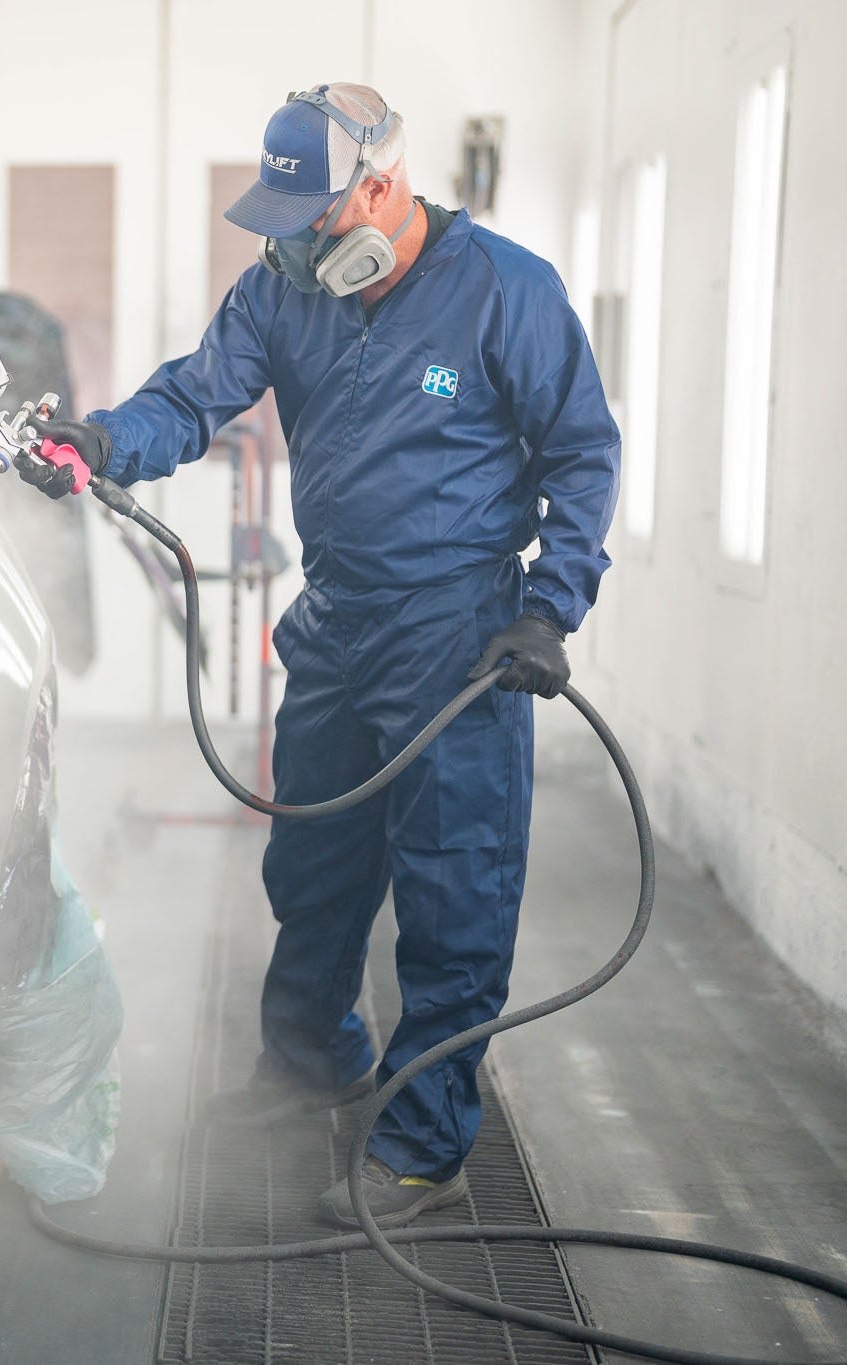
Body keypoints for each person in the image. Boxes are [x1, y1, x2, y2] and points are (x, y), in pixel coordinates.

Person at [30, 83, 620, 1228]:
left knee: (451, 888)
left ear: (381, 187)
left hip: (456, 633)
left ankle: (420, 1144)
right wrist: (102, 440)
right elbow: (194, 397)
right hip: (337, 616)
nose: (293, 250)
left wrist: (548, 609)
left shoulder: (506, 291)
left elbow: (581, 458)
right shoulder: (279, 291)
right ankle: (312, 1058)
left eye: (311, 222)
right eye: (278, 227)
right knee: (312, 862)